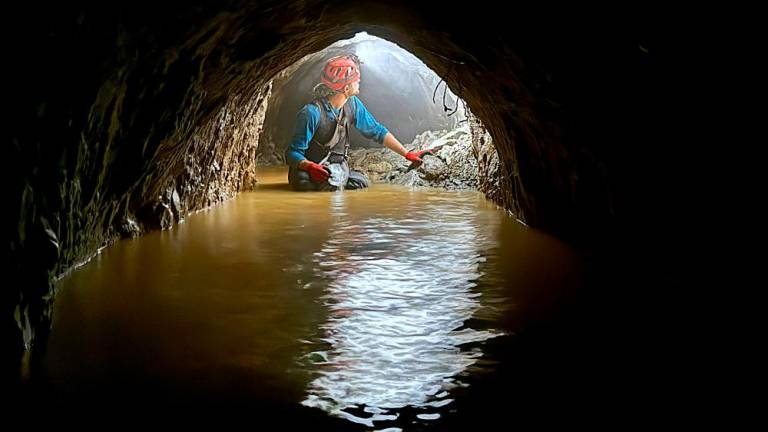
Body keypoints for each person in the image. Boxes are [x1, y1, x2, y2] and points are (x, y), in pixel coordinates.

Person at [284, 54, 432, 191]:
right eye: (356, 80)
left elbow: (377, 131)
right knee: (303, 184)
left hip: (335, 168)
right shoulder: (311, 113)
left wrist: (407, 154)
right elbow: (292, 153)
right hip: (309, 171)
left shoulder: (352, 104)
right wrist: (310, 167)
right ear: (346, 88)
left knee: (361, 183)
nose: (359, 81)